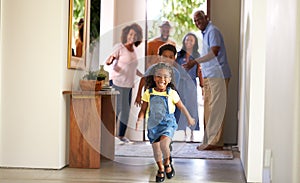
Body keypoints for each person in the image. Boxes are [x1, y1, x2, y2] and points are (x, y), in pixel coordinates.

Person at [135, 62, 195, 182]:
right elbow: (143, 109)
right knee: (156, 149)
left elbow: (181, 107)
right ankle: (161, 168)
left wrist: (189, 118)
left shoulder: (172, 93)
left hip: (168, 123)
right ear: (153, 77)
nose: (162, 79)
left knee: (164, 144)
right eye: (158, 76)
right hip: (153, 125)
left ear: (170, 79)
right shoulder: (149, 93)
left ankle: (167, 162)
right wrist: (139, 120)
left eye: (165, 76)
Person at [183, 10, 231, 150]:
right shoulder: (205, 34)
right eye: (195, 21)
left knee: (216, 109)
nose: (198, 23)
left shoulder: (213, 31)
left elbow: (214, 52)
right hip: (210, 76)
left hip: (219, 75)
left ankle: (215, 142)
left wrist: (195, 62)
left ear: (206, 18)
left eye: (200, 19)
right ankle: (209, 140)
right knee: (209, 109)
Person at [106, 23, 143, 144]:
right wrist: (111, 61)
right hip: (117, 82)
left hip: (128, 84)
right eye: (131, 33)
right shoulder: (119, 47)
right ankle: (111, 136)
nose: (132, 36)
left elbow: (132, 68)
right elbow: (109, 59)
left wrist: (142, 75)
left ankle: (121, 136)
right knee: (117, 109)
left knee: (126, 111)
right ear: (126, 35)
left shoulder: (134, 51)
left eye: (135, 34)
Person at [175, 32, 201, 141]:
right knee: (180, 107)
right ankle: (182, 132)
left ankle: (192, 133)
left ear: (195, 43)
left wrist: (203, 85)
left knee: (191, 107)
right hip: (180, 83)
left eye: (191, 40)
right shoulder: (179, 55)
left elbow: (200, 71)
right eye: (187, 40)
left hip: (191, 84)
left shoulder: (197, 56)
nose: (188, 42)